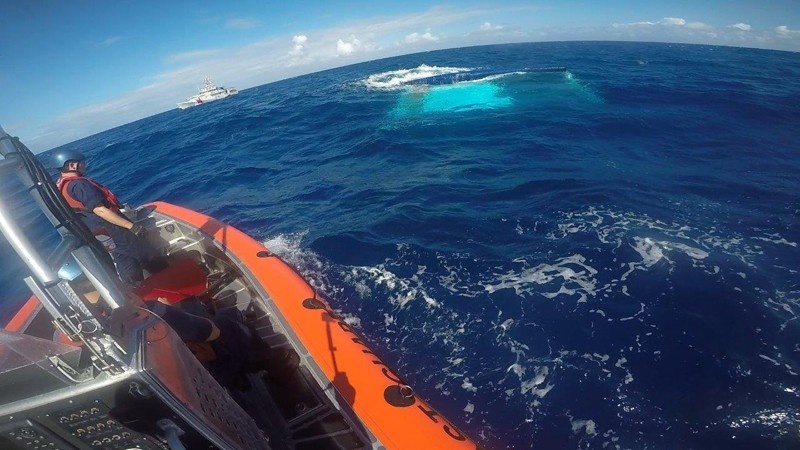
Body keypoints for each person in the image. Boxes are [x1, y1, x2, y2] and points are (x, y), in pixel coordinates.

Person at [52, 149, 168, 286]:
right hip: (112, 227)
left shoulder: (61, 184)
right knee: (149, 257)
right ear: (72, 165)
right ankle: (174, 283)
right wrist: (132, 226)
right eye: (81, 162)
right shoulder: (79, 185)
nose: (85, 165)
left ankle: (136, 291)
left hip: (100, 230)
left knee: (125, 260)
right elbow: (100, 210)